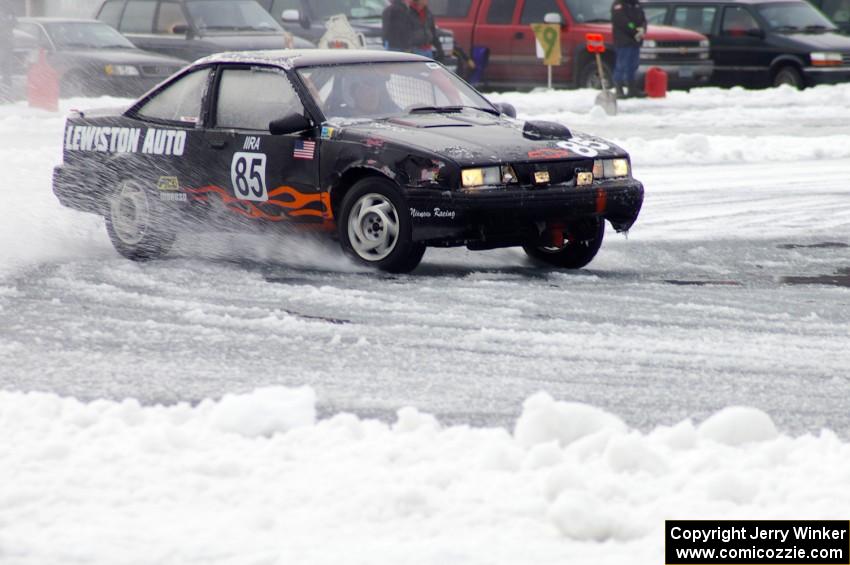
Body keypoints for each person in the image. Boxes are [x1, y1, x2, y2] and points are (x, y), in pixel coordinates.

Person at [611, 0, 646, 99]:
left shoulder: (636, 5)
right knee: (621, 65)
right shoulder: (619, 5)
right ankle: (619, 88)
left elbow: (643, 20)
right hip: (624, 40)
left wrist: (643, 29)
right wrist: (635, 30)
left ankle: (632, 88)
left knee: (633, 65)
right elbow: (623, 22)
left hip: (635, 40)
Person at [0, 0, 16, 99]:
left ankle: (5, 96)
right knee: (6, 73)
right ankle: (5, 96)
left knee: (7, 73)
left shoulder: (9, 12)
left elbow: (14, 23)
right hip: (5, 45)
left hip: (7, 46)